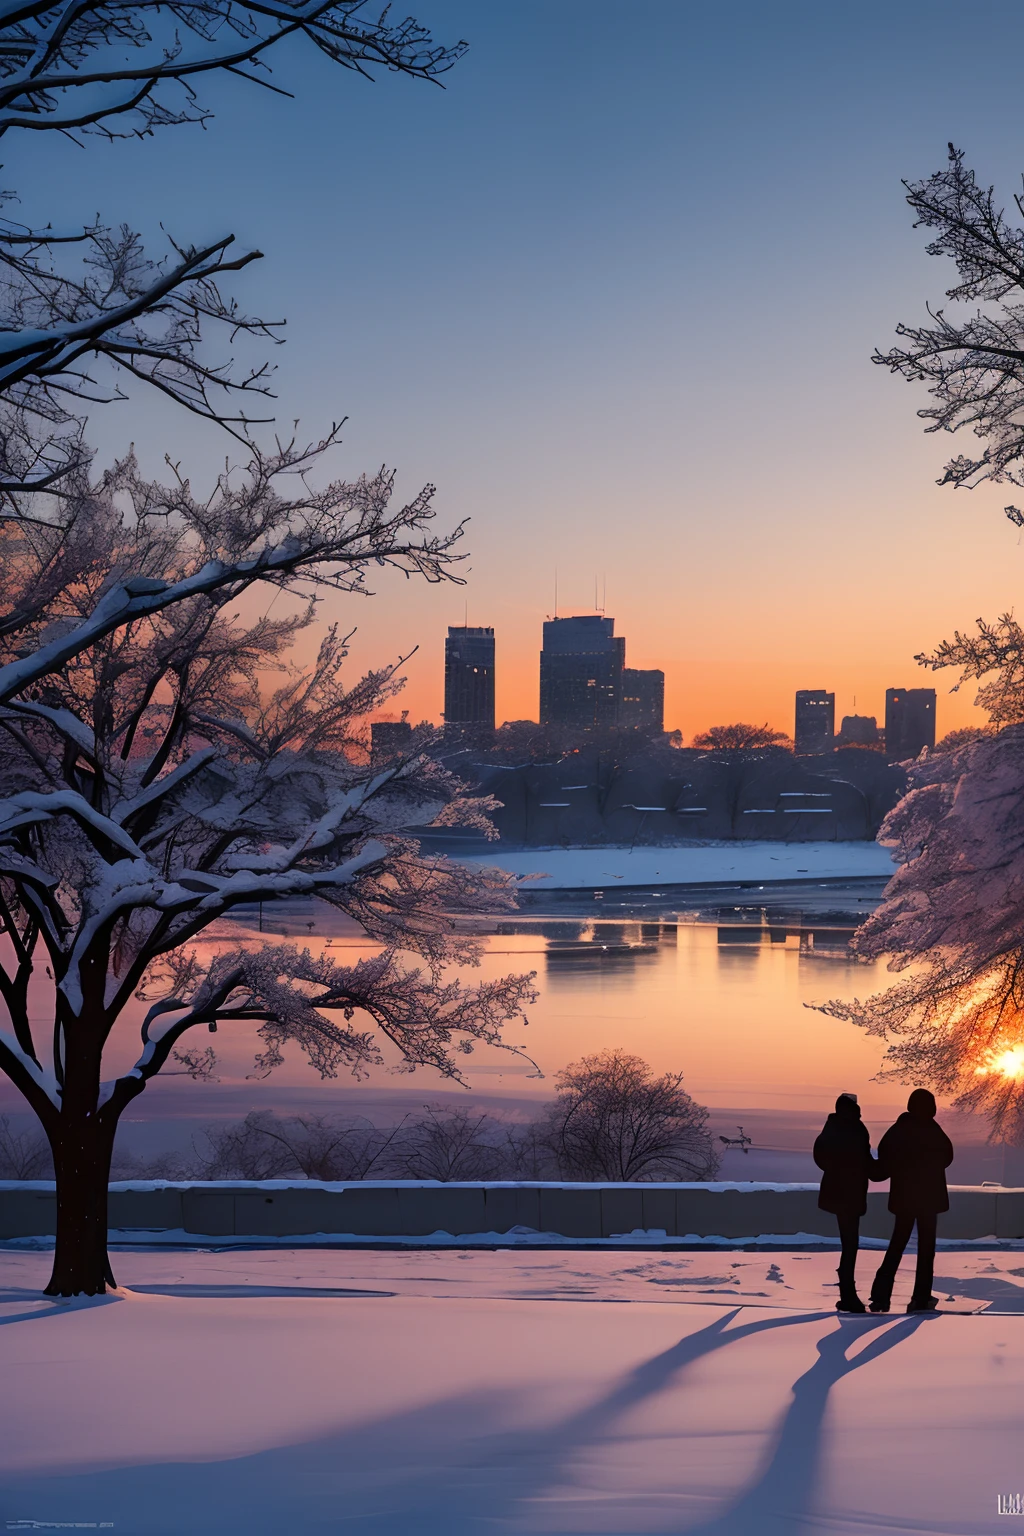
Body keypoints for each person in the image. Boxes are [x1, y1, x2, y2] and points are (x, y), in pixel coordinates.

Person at [870, 1089, 954, 1314]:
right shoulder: (933, 1130)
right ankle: (921, 1297)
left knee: (897, 1245)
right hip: (929, 1199)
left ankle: (880, 1296)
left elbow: (884, 1158)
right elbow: (947, 1157)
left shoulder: (899, 1129)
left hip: (905, 1198)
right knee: (927, 1250)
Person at [813, 1092, 880, 1314]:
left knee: (849, 1243)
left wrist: (836, 1170)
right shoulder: (856, 1129)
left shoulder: (831, 1128)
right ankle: (848, 1295)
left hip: (837, 1192)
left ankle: (847, 1293)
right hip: (850, 1193)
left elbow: (820, 1157)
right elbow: (865, 1161)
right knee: (851, 1243)